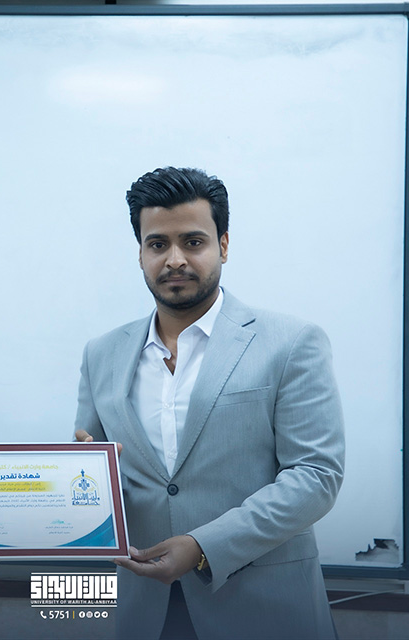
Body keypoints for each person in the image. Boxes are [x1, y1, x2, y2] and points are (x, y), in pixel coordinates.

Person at [74, 167, 344, 640]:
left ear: (223, 245)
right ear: (140, 253)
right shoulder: (102, 354)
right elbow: (94, 480)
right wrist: (88, 478)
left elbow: (315, 476)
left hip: (262, 608)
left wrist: (202, 546)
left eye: (193, 242)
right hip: (144, 610)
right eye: (158, 244)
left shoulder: (291, 342)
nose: (174, 259)